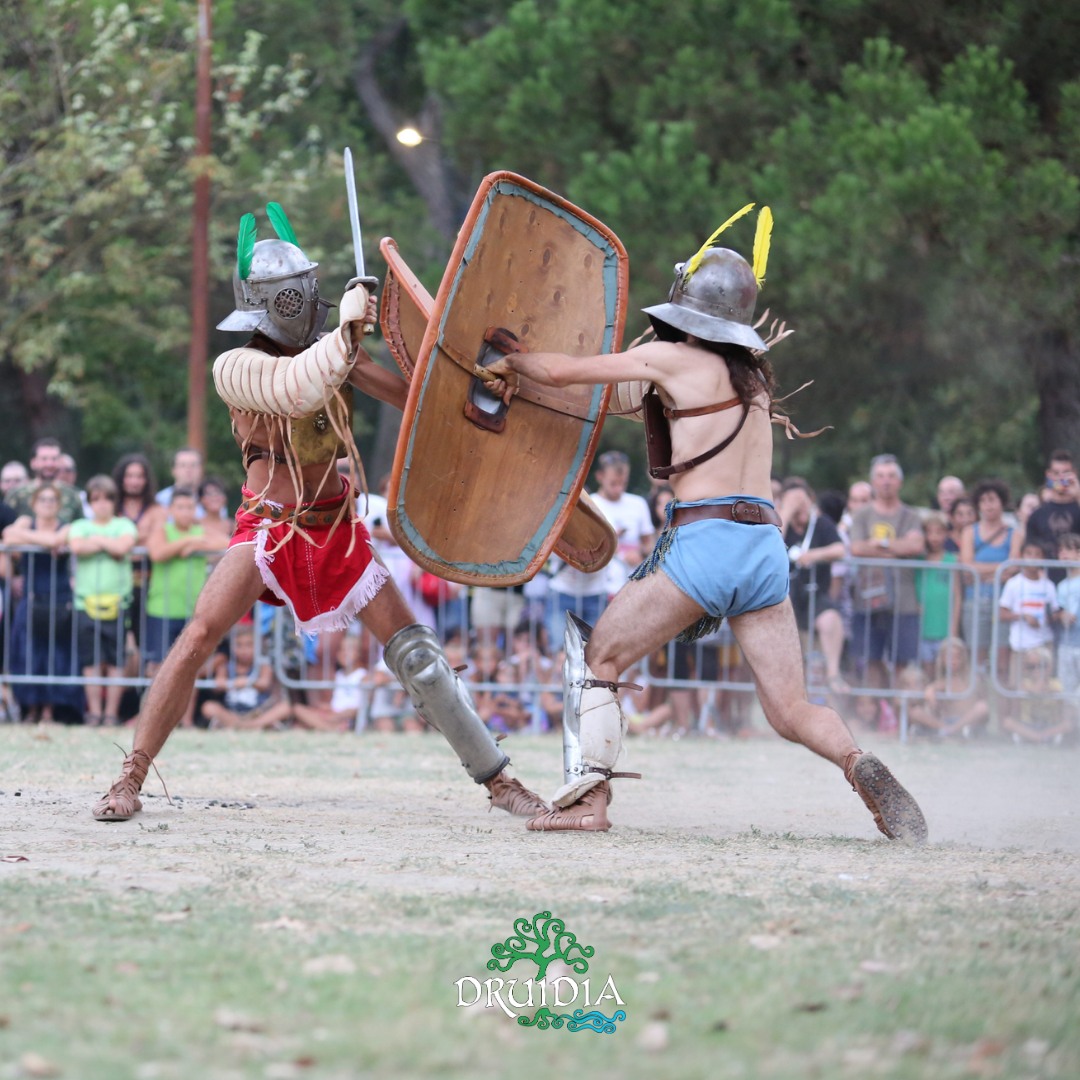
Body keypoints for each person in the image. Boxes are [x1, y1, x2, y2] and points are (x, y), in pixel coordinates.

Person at [93, 203, 545, 821]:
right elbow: (299, 385)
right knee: (198, 637)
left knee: (417, 653)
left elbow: (417, 399)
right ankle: (130, 778)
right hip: (270, 525)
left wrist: (475, 382)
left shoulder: (340, 354)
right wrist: (344, 341)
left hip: (336, 525)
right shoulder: (238, 367)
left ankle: (501, 783)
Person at [487, 227, 927, 840]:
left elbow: (562, 373)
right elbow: (630, 400)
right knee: (789, 710)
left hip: (708, 543)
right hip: (764, 551)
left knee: (602, 656)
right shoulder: (754, 378)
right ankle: (859, 763)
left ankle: (588, 804)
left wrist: (511, 361)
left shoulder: (673, 359)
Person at [2, 484, 84, 722]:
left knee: (56, 657)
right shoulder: (26, 521)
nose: (48, 504)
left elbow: (59, 538)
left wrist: (31, 540)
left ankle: (50, 710)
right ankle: (32, 709)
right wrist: (44, 541)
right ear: (34, 504)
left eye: (52, 500)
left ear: (58, 505)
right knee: (29, 656)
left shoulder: (66, 526)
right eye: (43, 499)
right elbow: (8, 535)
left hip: (59, 599)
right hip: (32, 597)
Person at [847, 455, 926, 689]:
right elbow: (857, 548)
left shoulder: (910, 515)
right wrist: (895, 549)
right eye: (880, 476)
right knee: (871, 659)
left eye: (891, 476)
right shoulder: (862, 515)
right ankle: (878, 715)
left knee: (902, 661)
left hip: (904, 601)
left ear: (900, 482)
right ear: (873, 482)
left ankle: (898, 714)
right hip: (868, 599)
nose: (886, 481)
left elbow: (915, 546)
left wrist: (877, 545)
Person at [67, 475, 138, 725]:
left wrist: (95, 542)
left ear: (114, 501)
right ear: (89, 502)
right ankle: (95, 712)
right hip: (85, 603)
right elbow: (78, 548)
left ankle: (110, 714)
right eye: (96, 499)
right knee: (92, 662)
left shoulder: (125, 525)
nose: (102, 504)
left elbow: (122, 548)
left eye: (107, 499)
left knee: (116, 661)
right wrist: (108, 544)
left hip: (119, 604)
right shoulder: (79, 525)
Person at [779, 478, 848, 694]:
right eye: (794, 501)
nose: (800, 506)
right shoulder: (781, 524)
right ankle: (783, 681)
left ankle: (833, 674)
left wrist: (814, 555)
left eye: (803, 500)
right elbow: (771, 545)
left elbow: (840, 550)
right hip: (784, 596)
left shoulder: (821, 523)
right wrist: (787, 513)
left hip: (815, 592)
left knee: (830, 619)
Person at [958, 479, 1022, 670]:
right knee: (977, 659)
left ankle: (1001, 700)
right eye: (984, 500)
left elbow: (1012, 567)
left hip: (1004, 603)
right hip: (975, 601)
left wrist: (981, 570)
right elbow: (967, 567)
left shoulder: (1014, 533)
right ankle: (979, 700)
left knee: (1003, 660)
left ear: (1002, 502)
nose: (988, 505)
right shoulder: (970, 532)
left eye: (992, 499)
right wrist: (999, 569)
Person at [998, 538, 1059, 691]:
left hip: (1044, 643)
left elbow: (1054, 613)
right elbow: (1002, 613)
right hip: (1020, 645)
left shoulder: (1049, 585)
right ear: (1022, 556)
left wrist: (1054, 617)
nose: (1033, 557)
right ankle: (1014, 715)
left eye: (1037, 554)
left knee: (1044, 686)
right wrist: (1023, 616)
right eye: (1029, 553)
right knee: (1017, 686)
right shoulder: (1013, 584)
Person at [1024, 450, 1080, 586]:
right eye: (1056, 473)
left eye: (1066, 473)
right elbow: (1030, 549)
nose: (1061, 477)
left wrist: (1078, 495)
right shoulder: (1037, 514)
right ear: (1049, 475)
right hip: (1045, 582)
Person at [5, 437, 84, 524]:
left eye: (54, 459)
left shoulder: (72, 495)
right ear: (33, 462)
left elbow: (80, 528)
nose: (49, 464)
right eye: (44, 459)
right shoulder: (17, 496)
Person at [1053, 533, 1080, 729]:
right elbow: (1057, 612)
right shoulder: (1062, 585)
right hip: (1067, 641)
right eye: (1060, 550)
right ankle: (1070, 729)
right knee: (1067, 688)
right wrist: (1062, 616)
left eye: (1067, 550)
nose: (1063, 554)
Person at [154, 448, 205, 512]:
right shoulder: (160, 500)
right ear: (173, 470)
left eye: (193, 465)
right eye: (183, 465)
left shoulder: (212, 501)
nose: (188, 469)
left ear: (201, 470)